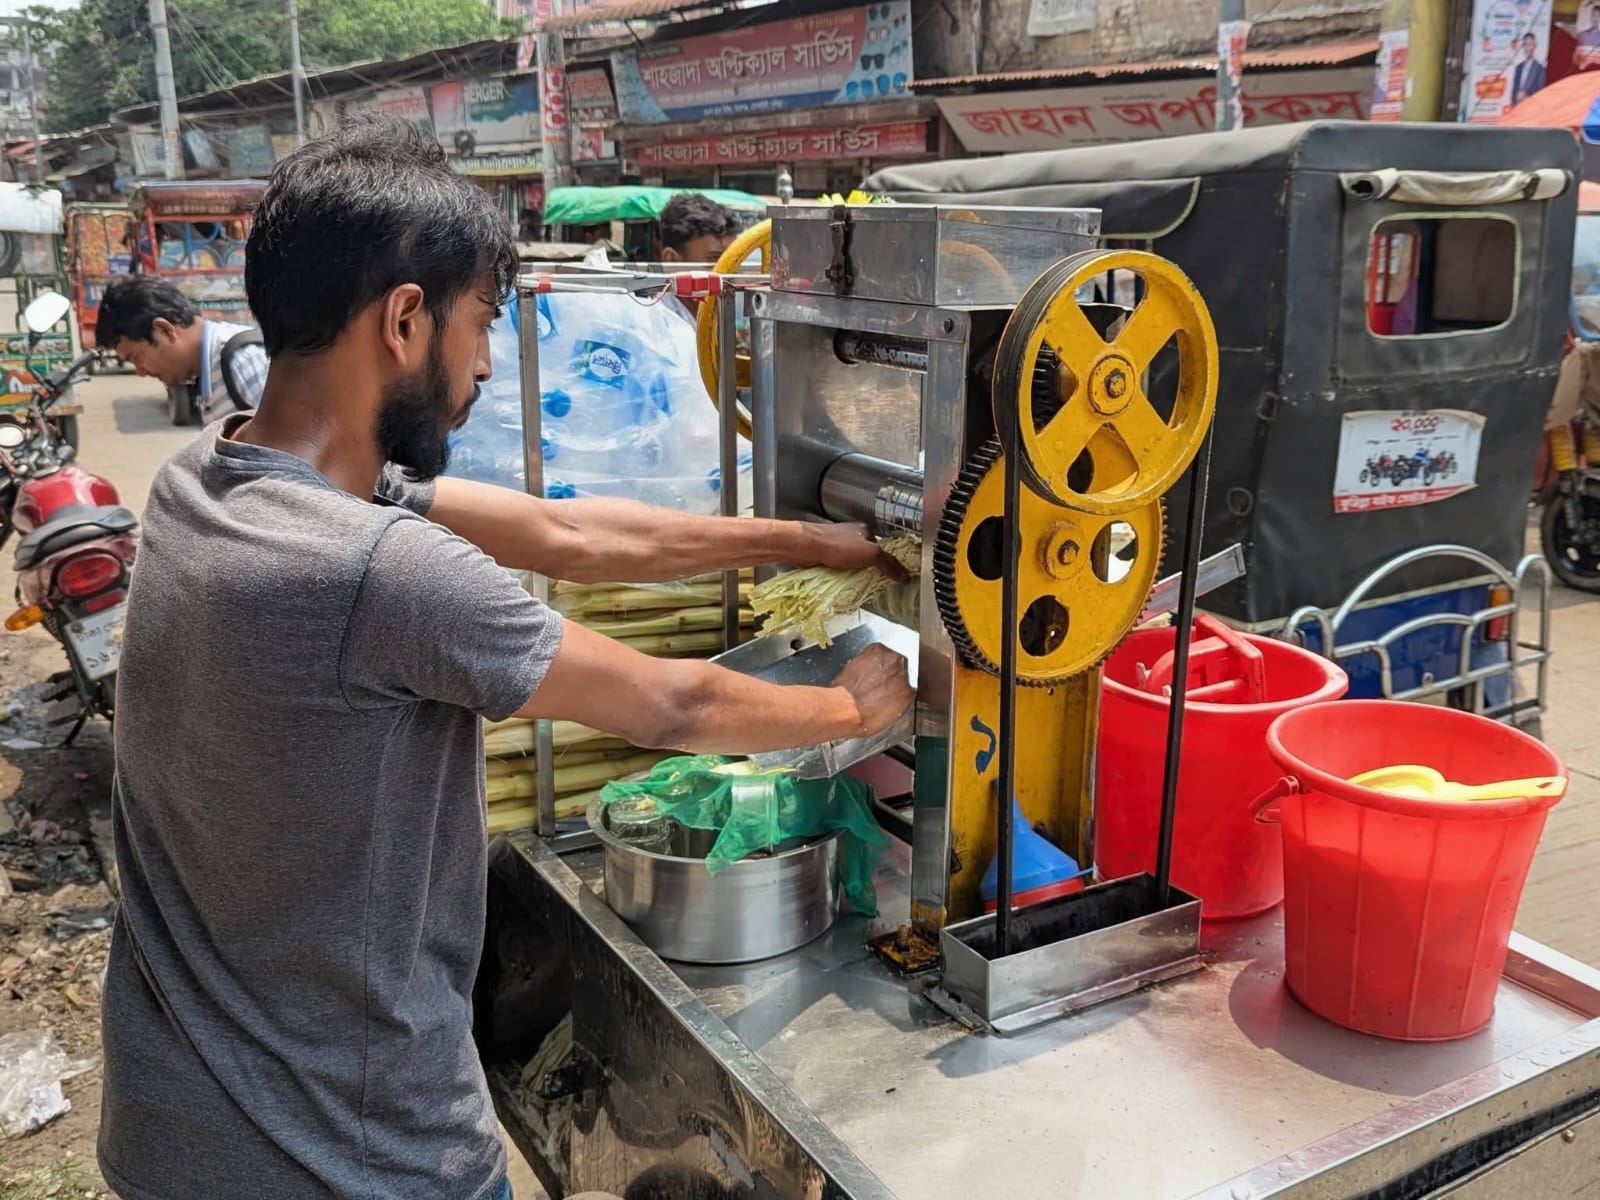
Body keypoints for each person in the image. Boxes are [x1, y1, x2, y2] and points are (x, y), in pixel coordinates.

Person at [98, 115, 912, 1200]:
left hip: (174, 1119)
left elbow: (569, 536)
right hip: (336, 1151)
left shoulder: (212, 476)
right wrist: (852, 711)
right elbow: (667, 705)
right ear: (402, 320)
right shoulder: (376, 573)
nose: (484, 365)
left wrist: (807, 541)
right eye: (480, 324)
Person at [95, 276, 267, 424]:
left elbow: (284, 455)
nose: (141, 371)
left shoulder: (241, 360)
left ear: (165, 330)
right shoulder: (209, 373)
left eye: (137, 357)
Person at [658, 192, 739, 325]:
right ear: (671, 260)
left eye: (734, 260)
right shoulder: (656, 326)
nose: (729, 272)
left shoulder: (732, 315)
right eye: (714, 259)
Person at [1510, 32, 1546, 106]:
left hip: (1530, 109)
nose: (1528, 48)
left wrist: (1526, 98)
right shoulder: (1518, 68)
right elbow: (1514, 91)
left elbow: (1540, 92)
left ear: (1535, 46)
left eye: (1530, 45)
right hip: (1517, 109)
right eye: (1525, 45)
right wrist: (1515, 100)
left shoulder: (1540, 69)